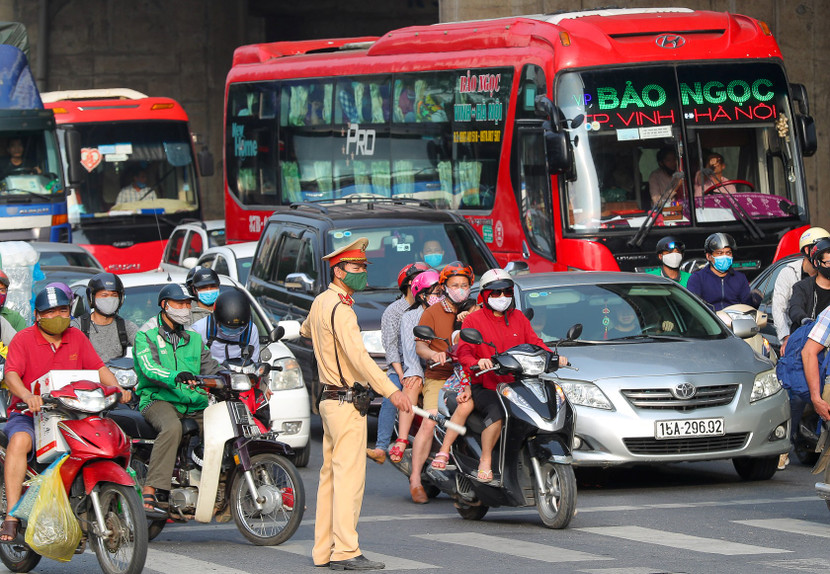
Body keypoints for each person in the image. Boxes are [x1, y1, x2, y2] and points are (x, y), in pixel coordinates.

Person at [300, 236, 411, 570]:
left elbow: (306, 330)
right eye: (356, 267)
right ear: (338, 271)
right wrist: (391, 390)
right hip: (346, 401)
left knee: (330, 480)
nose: (362, 272)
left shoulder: (321, 302)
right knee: (348, 481)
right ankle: (346, 551)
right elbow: (360, 358)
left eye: (364, 266)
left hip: (328, 401)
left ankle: (324, 550)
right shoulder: (343, 312)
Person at [0, 286, 130, 542]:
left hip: (74, 414)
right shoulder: (23, 339)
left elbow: (98, 368)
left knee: (111, 438)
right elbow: (11, 374)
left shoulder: (77, 337)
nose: (57, 316)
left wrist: (118, 387)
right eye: (50, 312)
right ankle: (12, 516)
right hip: (30, 413)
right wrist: (27, 395)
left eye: (62, 310)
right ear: (38, 315)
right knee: (19, 442)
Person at [456, 269, 567, 483]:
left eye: (506, 292)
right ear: (484, 296)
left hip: (519, 384)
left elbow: (535, 342)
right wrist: (477, 362)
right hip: (488, 385)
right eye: (495, 294)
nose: (501, 298)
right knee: (498, 415)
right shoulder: (473, 320)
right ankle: (486, 460)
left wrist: (554, 356)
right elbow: (464, 352)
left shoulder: (519, 318)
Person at [133, 283, 224, 517]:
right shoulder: (146, 335)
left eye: (187, 304)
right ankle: (150, 490)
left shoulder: (193, 336)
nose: (185, 308)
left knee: (222, 427)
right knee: (171, 427)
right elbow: (149, 368)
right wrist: (176, 376)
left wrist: (231, 376)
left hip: (193, 401)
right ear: (164, 305)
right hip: (158, 399)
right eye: (179, 303)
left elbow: (211, 367)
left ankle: (221, 484)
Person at [408, 262, 475, 503]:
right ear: (444, 286)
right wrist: (433, 354)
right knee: (430, 419)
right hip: (440, 375)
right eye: (455, 285)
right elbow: (420, 345)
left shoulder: (475, 310)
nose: (460, 289)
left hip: (469, 374)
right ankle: (416, 479)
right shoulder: (432, 312)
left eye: (464, 285)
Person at [367, 262, 429, 465]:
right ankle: (381, 447)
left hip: (429, 364)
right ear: (410, 284)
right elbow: (391, 347)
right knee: (390, 395)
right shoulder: (393, 312)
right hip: (401, 366)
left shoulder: (431, 307)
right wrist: (402, 374)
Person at [389, 269, 441, 465]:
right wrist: (416, 375)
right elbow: (411, 354)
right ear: (422, 295)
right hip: (420, 367)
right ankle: (402, 439)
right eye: (436, 293)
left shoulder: (450, 312)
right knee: (412, 382)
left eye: (441, 292)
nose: (440, 297)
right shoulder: (409, 317)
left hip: (445, 370)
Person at [773, 227, 829, 355]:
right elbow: (780, 308)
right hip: (799, 336)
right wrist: (787, 338)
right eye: (819, 248)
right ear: (807, 250)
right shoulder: (790, 275)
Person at [72, 272, 138, 363]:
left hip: (118, 375)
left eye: (114, 295)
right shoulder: (78, 327)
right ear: (92, 298)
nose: (109, 299)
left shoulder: (127, 326)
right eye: (104, 295)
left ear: (121, 299)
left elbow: (144, 348)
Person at [687, 233, 758, 312]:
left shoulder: (740, 278)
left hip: (735, 321)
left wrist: (755, 300)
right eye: (719, 253)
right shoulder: (697, 278)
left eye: (728, 253)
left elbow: (747, 307)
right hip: (709, 321)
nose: (725, 256)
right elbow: (693, 307)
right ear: (709, 256)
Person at [789, 238, 830, 333]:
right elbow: (795, 308)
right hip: (807, 335)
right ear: (816, 263)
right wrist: (804, 320)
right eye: (828, 263)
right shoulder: (802, 287)